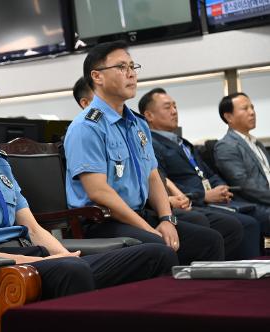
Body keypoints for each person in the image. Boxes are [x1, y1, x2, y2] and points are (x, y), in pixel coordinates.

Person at [0, 62, 177, 301]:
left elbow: (33, 228)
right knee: (72, 270)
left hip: (32, 257)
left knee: (156, 254)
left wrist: (62, 255)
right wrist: (38, 262)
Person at [64, 41, 224, 265]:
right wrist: (148, 229)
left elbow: (152, 175)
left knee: (210, 240)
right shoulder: (87, 127)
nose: (131, 74)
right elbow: (98, 192)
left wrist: (166, 219)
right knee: (161, 246)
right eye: (121, 67)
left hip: (138, 214)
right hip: (102, 223)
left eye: (132, 67)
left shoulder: (138, 124)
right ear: (97, 77)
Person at [138, 87, 262, 258]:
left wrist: (221, 187)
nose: (174, 111)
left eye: (175, 106)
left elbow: (208, 173)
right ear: (149, 115)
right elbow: (163, 182)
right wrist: (203, 195)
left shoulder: (183, 142)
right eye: (167, 107)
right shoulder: (151, 145)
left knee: (248, 218)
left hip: (211, 200)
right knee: (244, 223)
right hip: (190, 201)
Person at [214, 92, 270, 235]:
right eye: (245, 109)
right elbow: (244, 184)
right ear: (228, 117)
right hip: (255, 203)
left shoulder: (256, 142)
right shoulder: (226, 146)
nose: (252, 112)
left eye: (252, 107)